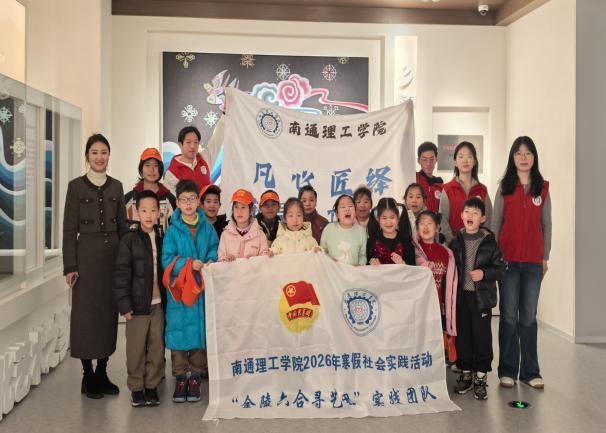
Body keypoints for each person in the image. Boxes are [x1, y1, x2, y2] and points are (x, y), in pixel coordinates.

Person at [62, 133, 127, 399]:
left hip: (112, 258)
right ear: (87, 156)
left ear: (109, 155)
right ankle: (87, 375)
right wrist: (70, 266)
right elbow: (68, 229)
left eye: (104, 152)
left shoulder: (117, 187)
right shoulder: (76, 187)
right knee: (86, 316)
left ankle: (102, 371)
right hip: (86, 260)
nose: (100, 157)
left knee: (108, 315)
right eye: (94, 152)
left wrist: (127, 261)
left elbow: (123, 227)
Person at [492, 136, 552, 390]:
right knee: (508, 317)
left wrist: (545, 256)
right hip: (507, 262)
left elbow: (547, 224)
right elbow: (495, 224)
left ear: (534, 157)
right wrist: (494, 258)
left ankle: (530, 372)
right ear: (512, 158)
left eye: (528, 153)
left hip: (532, 263)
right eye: (519, 153)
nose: (524, 157)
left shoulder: (542, 188)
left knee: (528, 318)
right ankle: (507, 370)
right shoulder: (504, 187)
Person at [162, 180, 219, 403]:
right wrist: (187, 264)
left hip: (201, 290)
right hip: (180, 291)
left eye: (192, 199)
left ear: (198, 202)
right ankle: (180, 377)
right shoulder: (172, 230)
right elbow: (167, 260)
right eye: (184, 199)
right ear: (177, 203)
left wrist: (211, 260)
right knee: (178, 332)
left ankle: (195, 376)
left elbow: (214, 249)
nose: (188, 203)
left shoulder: (208, 228)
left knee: (199, 333)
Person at [449, 197, 505, 400]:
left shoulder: (490, 242)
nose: (470, 215)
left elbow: (501, 269)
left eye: (475, 213)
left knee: (482, 337)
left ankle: (481, 376)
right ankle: (466, 373)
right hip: (461, 298)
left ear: (483, 218)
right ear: (461, 215)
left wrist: (484, 273)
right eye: (467, 212)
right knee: (463, 336)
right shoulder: (455, 242)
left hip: (481, 299)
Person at [114, 190, 166, 407]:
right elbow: (121, 274)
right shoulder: (129, 239)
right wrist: (124, 305)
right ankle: (136, 388)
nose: (148, 215)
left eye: (153, 210)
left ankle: (152, 386)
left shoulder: (162, 238)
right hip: (137, 306)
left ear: (159, 213)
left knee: (157, 348)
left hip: (158, 305)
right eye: (144, 210)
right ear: (136, 212)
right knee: (135, 349)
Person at [414, 210, 458, 362]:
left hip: (437, 306)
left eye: (429, 223)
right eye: (422, 224)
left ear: (437, 228)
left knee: (433, 345)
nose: (426, 227)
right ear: (417, 228)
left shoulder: (446, 253)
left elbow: (449, 285)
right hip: (417, 307)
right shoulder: (413, 251)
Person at [439, 141, 492, 243]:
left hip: (478, 245)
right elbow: (443, 220)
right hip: (454, 244)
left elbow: (488, 219)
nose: (465, 160)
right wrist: (452, 242)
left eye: (469, 157)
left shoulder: (482, 190)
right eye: (461, 156)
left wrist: (482, 242)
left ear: (475, 161)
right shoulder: (447, 189)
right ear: (455, 162)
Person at [124, 147, 176, 234]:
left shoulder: (170, 199)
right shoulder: (128, 199)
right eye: (147, 165)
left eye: (156, 166)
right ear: (141, 169)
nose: (152, 170)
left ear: (160, 169)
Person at [219, 189, 269, 261]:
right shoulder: (225, 234)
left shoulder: (260, 235)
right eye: (236, 207)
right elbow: (220, 259)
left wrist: (255, 260)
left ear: (251, 211)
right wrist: (225, 259)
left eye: (243, 207)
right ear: (232, 210)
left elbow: (264, 259)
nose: (239, 211)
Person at [320, 194, 367, 266]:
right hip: (332, 270)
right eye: (343, 207)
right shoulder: (329, 229)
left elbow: (363, 256)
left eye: (350, 206)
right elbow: (322, 251)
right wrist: (330, 261)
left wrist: (360, 265)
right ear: (337, 214)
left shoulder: (361, 231)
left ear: (355, 211)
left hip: (354, 272)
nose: (347, 209)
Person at [367, 197, 415, 266]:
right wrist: (372, 263)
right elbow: (367, 265)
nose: (388, 222)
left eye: (392, 217)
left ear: (398, 217)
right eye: (384, 218)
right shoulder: (372, 241)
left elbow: (413, 266)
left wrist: (403, 263)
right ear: (378, 219)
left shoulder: (406, 240)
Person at [163, 126, 211, 195]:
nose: (192, 146)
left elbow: (217, 138)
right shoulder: (172, 173)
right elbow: (172, 199)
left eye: (196, 142)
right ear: (180, 144)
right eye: (188, 142)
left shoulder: (203, 158)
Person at [416, 141, 444, 213]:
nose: (428, 163)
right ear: (418, 160)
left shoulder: (441, 185)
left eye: (431, 159)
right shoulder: (414, 179)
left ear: (436, 159)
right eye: (424, 159)